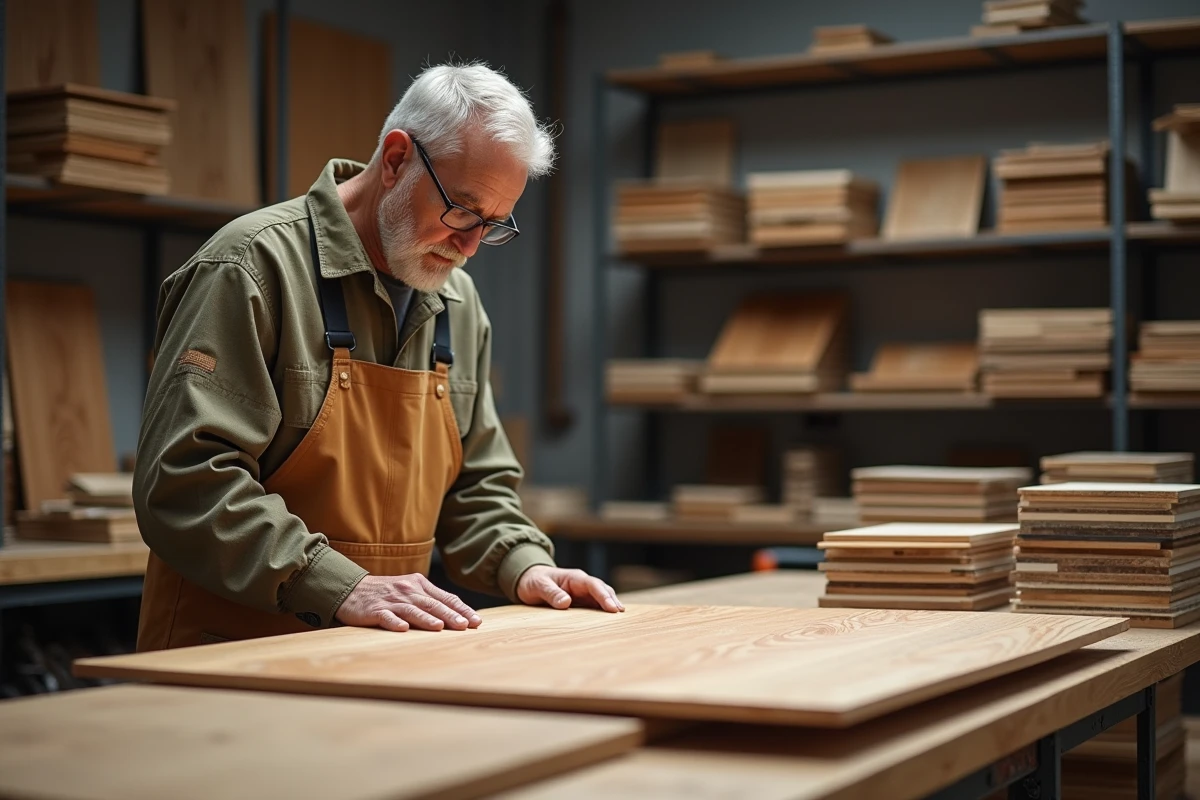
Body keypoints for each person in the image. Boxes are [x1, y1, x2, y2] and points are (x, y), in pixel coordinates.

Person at [132, 62, 622, 651]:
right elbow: (185, 481)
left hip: (375, 650)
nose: (469, 247)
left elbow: (476, 484)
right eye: (462, 210)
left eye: (493, 225)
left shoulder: (457, 301)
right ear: (395, 160)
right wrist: (337, 585)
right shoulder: (249, 269)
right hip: (232, 653)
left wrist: (524, 564)